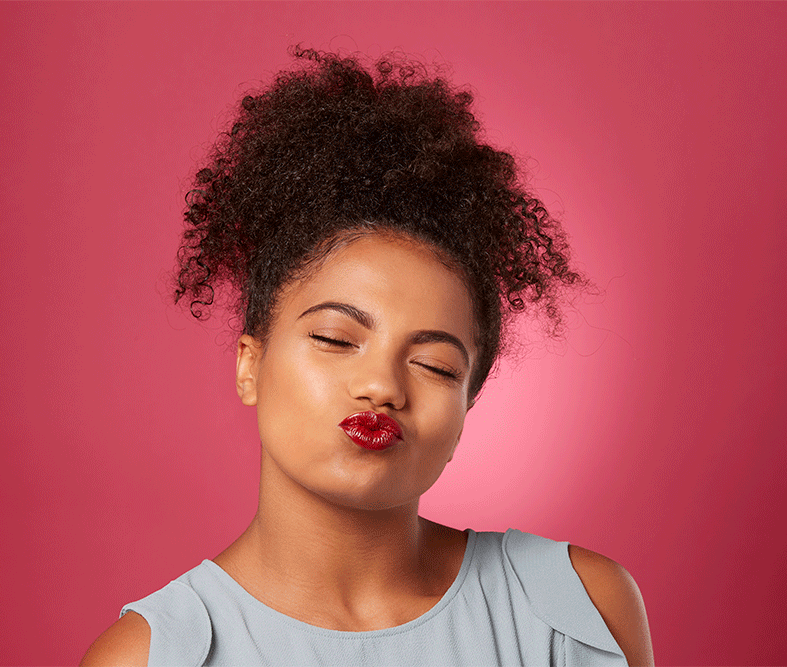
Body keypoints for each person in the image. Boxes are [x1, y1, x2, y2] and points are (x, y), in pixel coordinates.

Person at [81, 48, 654, 666]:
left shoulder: (573, 612)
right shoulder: (153, 655)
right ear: (250, 363)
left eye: (435, 366)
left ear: (468, 405)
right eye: (335, 339)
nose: (382, 386)